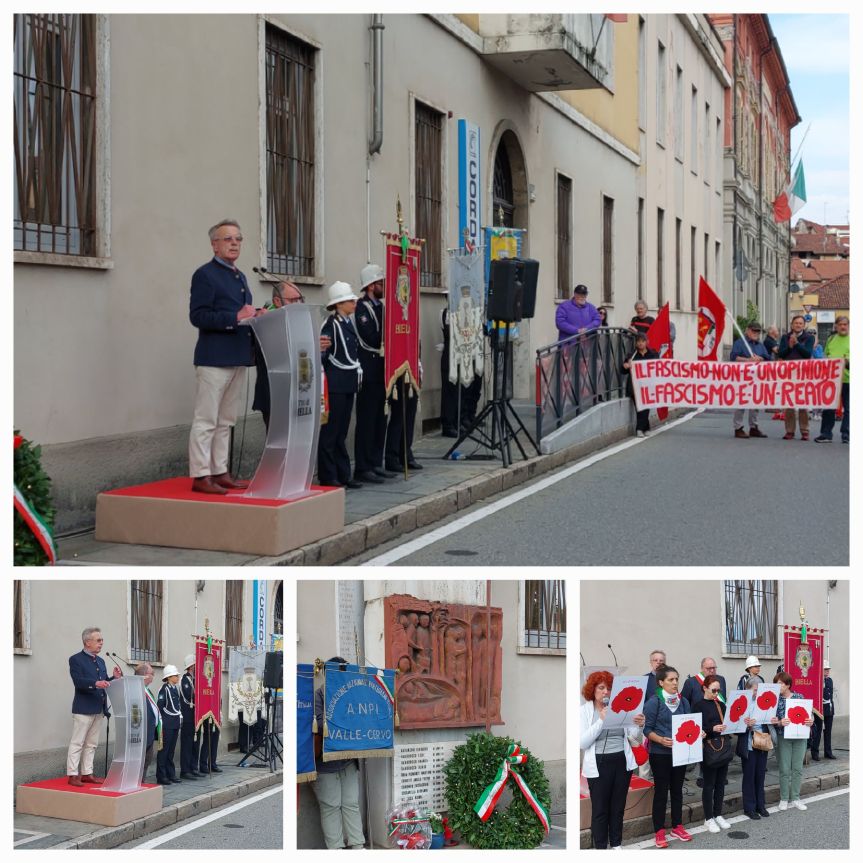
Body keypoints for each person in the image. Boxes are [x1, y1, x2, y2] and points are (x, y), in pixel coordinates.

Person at [188, 219, 257, 495]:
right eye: (228, 239)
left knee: (226, 420)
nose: (234, 243)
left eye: (238, 239)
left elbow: (242, 313)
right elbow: (198, 316)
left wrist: (255, 317)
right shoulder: (205, 274)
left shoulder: (240, 276)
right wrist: (235, 317)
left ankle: (220, 470)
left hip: (236, 356)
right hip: (214, 357)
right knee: (206, 420)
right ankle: (201, 474)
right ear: (214, 244)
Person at [252, 281, 331, 431]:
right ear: (277, 301)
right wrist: (311, 346)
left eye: (300, 299)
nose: (298, 303)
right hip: (275, 394)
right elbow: (275, 355)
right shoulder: (265, 322)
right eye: (293, 300)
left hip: (298, 394)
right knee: (279, 441)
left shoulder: (300, 321)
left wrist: (314, 347)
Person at [580, 670, 646, 849]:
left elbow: (634, 736)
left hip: (621, 762)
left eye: (609, 688)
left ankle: (616, 844)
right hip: (599, 764)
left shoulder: (621, 707)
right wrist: (601, 720)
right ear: (592, 690)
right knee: (600, 809)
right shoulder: (585, 711)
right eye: (601, 688)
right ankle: (600, 846)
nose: (605, 692)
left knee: (618, 807)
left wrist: (639, 725)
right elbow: (583, 742)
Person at [643, 664, 703, 847]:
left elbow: (690, 723)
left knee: (677, 790)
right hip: (660, 753)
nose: (675, 682)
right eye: (671, 679)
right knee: (661, 791)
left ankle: (677, 825)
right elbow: (647, 730)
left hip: (680, 752)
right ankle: (659, 830)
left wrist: (698, 732)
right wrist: (660, 740)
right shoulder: (654, 702)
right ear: (661, 682)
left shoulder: (683, 702)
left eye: (676, 679)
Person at [312, 657, 366, 849]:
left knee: (351, 803)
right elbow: (319, 724)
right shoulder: (319, 695)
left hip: (348, 761)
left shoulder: (353, 695)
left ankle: (358, 846)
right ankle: (336, 849)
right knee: (330, 806)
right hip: (326, 764)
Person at [353, 264, 396, 482]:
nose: (384, 287)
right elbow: (370, 336)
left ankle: (375, 461)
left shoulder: (381, 306)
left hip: (383, 370)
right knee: (367, 419)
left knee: (381, 418)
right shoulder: (362, 308)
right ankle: (363, 466)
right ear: (371, 286)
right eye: (381, 283)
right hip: (369, 369)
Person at [319, 281, 363, 489]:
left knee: (342, 431)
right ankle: (328, 475)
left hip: (347, 382)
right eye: (349, 300)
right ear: (339, 304)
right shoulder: (331, 325)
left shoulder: (346, 323)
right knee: (331, 432)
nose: (354, 302)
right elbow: (324, 355)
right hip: (336, 384)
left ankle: (343, 473)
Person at [67, 627, 122, 786]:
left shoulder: (101, 661)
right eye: (98, 640)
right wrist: (95, 683)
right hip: (83, 708)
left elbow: (104, 682)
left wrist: (114, 678)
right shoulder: (76, 659)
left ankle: (87, 773)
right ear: (87, 642)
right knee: (78, 742)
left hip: (98, 708)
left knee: (91, 744)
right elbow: (78, 682)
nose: (101, 643)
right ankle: (72, 774)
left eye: (102, 640)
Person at [439, 300, 482, 438]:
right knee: (449, 393)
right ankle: (448, 425)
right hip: (450, 355)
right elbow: (450, 332)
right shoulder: (445, 313)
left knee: (461, 391)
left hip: (461, 356)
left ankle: (458, 421)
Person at [774, 671, 815, 811]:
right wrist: (780, 722)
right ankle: (784, 798)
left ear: (788, 684)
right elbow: (772, 721)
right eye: (776, 683)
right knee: (784, 769)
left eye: (780, 683)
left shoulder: (799, 697)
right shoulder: (775, 700)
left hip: (800, 738)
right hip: (783, 737)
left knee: (797, 768)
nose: (777, 686)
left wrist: (811, 720)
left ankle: (796, 797)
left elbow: (809, 715)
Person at [736, 675, 775, 819]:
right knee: (749, 776)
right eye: (754, 690)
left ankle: (761, 805)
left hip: (762, 741)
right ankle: (749, 807)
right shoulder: (741, 703)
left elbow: (770, 721)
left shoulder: (765, 701)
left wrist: (773, 720)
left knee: (760, 775)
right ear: (747, 689)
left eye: (759, 690)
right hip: (749, 743)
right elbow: (734, 726)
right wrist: (746, 725)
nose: (757, 693)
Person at [699, 674, 732, 832]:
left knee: (721, 783)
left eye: (718, 691)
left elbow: (728, 722)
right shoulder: (697, 705)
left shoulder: (721, 705)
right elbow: (695, 728)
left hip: (722, 746)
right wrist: (711, 729)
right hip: (707, 748)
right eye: (713, 690)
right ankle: (708, 817)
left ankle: (718, 813)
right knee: (709, 784)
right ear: (705, 688)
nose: (716, 693)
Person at [730, 323, 771, 438]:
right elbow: (733, 357)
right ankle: (737, 428)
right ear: (747, 330)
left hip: (757, 377)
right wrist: (748, 360)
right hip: (742, 377)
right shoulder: (740, 343)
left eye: (758, 331)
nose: (756, 333)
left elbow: (768, 358)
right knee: (741, 402)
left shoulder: (760, 345)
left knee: (755, 402)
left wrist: (761, 359)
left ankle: (754, 427)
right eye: (754, 331)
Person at [778, 315, 815, 440]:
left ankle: (805, 431)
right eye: (796, 323)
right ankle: (790, 431)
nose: (798, 325)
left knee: (803, 403)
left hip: (803, 374)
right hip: (788, 373)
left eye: (800, 323)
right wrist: (789, 346)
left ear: (803, 325)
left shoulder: (809, 338)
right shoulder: (785, 337)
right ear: (792, 324)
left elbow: (807, 354)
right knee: (789, 403)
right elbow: (781, 354)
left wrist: (797, 344)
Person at [815, 315, 850, 444]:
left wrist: (847, 363)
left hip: (848, 379)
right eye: (840, 324)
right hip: (832, 380)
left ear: (849, 326)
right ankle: (826, 434)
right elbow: (826, 356)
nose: (843, 326)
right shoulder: (831, 339)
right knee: (828, 407)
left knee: (849, 408)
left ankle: (846, 434)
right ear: (835, 326)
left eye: (845, 324)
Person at [385, 370, 422, 473]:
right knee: (399, 415)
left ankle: (405, 453)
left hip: (412, 368)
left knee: (410, 412)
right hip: (399, 370)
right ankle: (392, 456)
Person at [622, 333, 658, 437]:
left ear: (647, 342)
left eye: (643, 341)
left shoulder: (653, 355)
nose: (640, 343)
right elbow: (623, 371)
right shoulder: (631, 355)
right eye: (638, 341)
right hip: (635, 387)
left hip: (648, 386)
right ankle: (640, 429)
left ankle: (644, 428)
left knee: (646, 407)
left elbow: (658, 369)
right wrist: (625, 366)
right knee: (640, 407)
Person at [156, 664, 182, 786]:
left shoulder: (174, 689)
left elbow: (177, 705)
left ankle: (170, 774)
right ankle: (161, 776)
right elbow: (160, 707)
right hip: (167, 724)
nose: (177, 677)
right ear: (169, 677)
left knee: (171, 751)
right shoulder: (164, 689)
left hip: (175, 723)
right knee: (164, 751)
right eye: (175, 675)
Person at [135, 662, 160, 784]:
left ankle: (142, 783)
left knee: (146, 761)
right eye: (152, 673)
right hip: (141, 733)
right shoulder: (137, 690)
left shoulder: (147, 690)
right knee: (140, 763)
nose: (153, 676)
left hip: (149, 732)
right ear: (145, 675)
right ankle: (137, 783)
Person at [179, 655, 201, 780]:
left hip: (196, 716)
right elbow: (189, 695)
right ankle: (185, 770)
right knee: (187, 743)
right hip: (188, 716)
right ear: (191, 666)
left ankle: (194, 767)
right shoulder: (185, 680)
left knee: (195, 743)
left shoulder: (195, 679)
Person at [810, 662, 835, 760]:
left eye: (828, 669)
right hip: (819, 709)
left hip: (829, 709)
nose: (827, 671)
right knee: (818, 731)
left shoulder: (830, 680)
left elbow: (830, 695)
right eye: (825, 669)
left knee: (828, 731)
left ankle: (828, 752)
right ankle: (814, 752)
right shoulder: (817, 680)